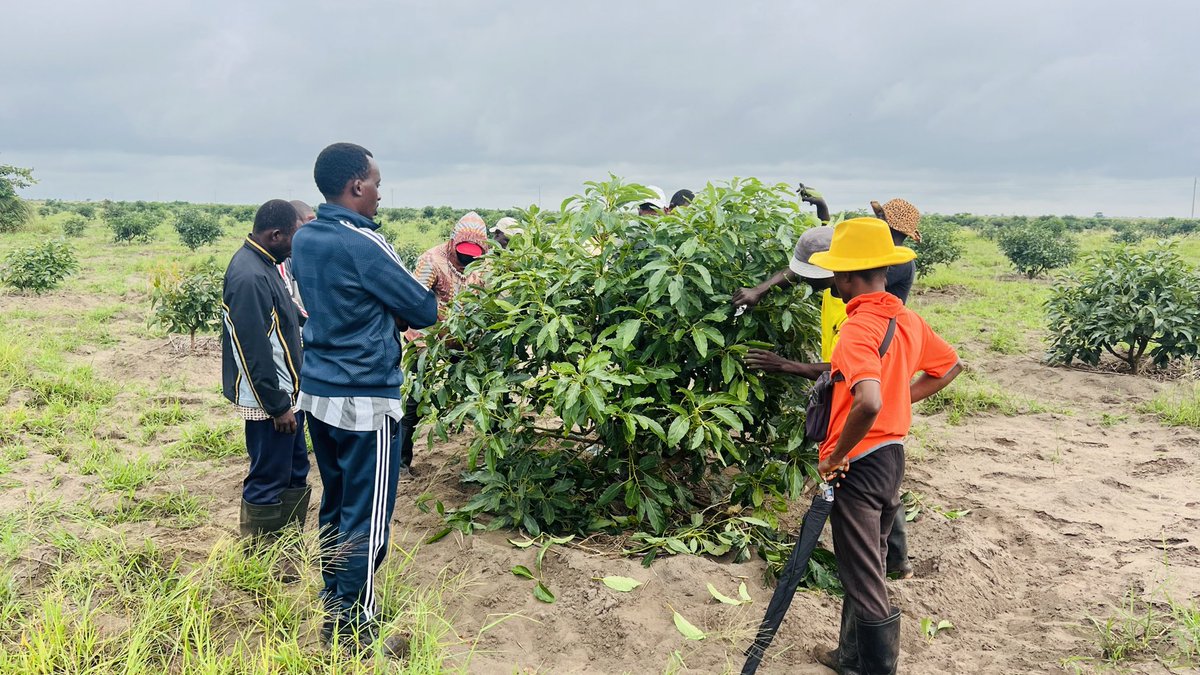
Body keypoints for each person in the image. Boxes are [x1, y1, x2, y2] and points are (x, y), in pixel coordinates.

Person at [291, 142, 438, 657]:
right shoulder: (364, 242)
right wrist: (392, 313)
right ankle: (354, 633)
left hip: (319, 394)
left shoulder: (306, 236)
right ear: (356, 185)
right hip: (365, 399)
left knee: (335, 506)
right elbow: (423, 308)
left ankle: (334, 604)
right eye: (376, 183)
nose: (379, 193)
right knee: (367, 519)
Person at [735, 193, 924, 578]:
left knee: (867, 472)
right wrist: (763, 289)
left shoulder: (882, 285)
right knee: (877, 474)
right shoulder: (863, 269)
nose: (832, 281)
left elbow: (853, 366)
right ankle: (883, 561)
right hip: (855, 373)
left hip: (860, 378)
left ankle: (885, 562)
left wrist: (787, 365)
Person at [808, 217, 961, 674]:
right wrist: (904, 399)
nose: (833, 281)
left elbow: (868, 402)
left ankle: (875, 668)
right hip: (892, 456)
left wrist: (836, 456)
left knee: (862, 577)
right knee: (868, 561)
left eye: (837, 272)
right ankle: (849, 656)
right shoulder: (907, 319)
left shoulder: (857, 330)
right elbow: (950, 366)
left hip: (858, 463)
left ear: (852, 276)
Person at [221, 199, 308, 576]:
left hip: (287, 393)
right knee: (268, 475)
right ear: (275, 235)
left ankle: (287, 547)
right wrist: (277, 406)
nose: (296, 246)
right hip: (270, 400)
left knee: (294, 470)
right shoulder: (249, 276)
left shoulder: (267, 264)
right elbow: (252, 349)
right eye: (293, 238)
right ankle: (263, 558)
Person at [399, 211, 491, 478]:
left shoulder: (484, 265)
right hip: (427, 340)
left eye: (474, 254)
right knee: (416, 398)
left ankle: (493, 454)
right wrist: (431, 333)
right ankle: (402, 462)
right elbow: (413, 302)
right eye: (463, 252)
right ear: (452, 243)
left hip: (465, 342)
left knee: (486, 392)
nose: (467, 258)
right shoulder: (432, 261)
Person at [278, 200, 315, 321]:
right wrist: (316, 322)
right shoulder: (282, 257)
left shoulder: (307, 250)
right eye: (311, 221)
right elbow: (289, 301)